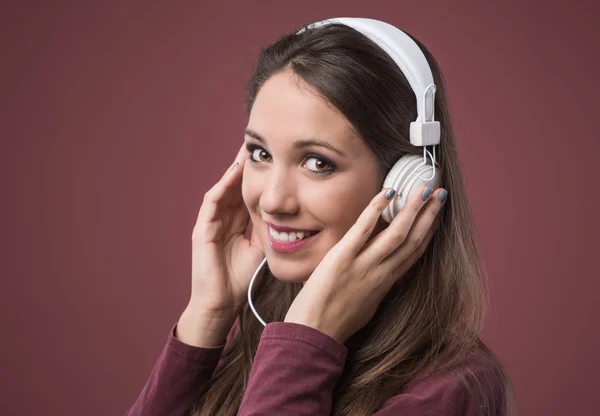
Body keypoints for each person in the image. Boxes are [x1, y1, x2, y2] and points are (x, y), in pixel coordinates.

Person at [125, 17, 516, 416]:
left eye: (317, 162)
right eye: (260, 154)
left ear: (409, 184)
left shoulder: (449, 391)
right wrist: (207, 315)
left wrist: (306, 342)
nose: (273, 201)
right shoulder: (249, 338)